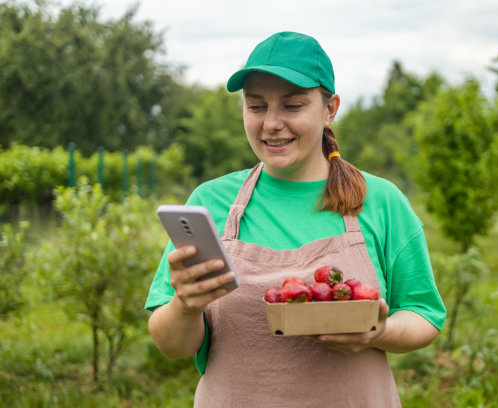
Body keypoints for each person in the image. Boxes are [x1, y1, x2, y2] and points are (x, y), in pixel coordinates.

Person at [145, 31, 446, 407]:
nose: (271, 123)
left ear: (330, 108)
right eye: (256, 106)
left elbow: (423, 315)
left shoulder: (381, 202)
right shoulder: (210, 203)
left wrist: (377, 331)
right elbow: (172, 345)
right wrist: (185, 306)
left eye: (292, 106)